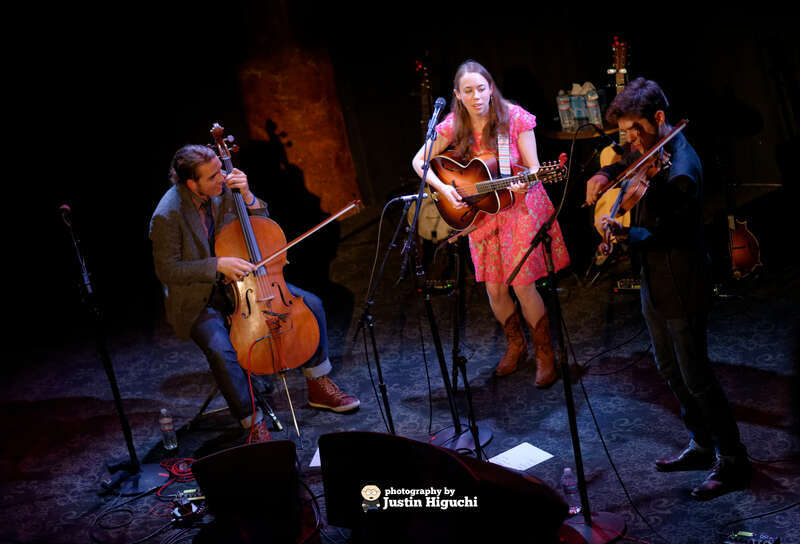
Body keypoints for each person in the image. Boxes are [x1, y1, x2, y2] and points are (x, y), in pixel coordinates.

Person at [585, 77, 751, 500]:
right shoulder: (646, 147)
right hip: (654, 282)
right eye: (624, 132)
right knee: (669, 369)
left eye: (636, 129)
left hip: (682, 279)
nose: (630, 141)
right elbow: (622, 155)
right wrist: (605, 172)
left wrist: (624, 235)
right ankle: (701, 444)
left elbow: (670, 234)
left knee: (697, 376)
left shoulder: (682, 170)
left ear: (659, 119)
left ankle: (733, 461)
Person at [150, 144, 359, 444]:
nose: (221, 179)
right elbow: (168, 270)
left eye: (220, 171)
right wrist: (217, 264)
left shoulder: (225, 188)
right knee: (222, 350)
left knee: (310, 304)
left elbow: (262, 219)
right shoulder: (167, 214)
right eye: (211, 177)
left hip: (244, 284)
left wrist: (246, 195)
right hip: (199, 295)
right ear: (190, 183)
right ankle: (251, 422)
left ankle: (318, 384)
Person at [412, 60, 570, 386]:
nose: (476, 96)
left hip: (520, 207)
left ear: (491, 88)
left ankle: (545, 353)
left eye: (481, 88)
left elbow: (534, 169)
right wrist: (444, 189)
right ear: (458, 94)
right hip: (483, 212)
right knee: (495, 289)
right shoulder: (454, 124)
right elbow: (419, 161)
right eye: (468, 91)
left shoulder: (514, 118)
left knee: (522, 284)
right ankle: (516, 344)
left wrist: (523, 182)